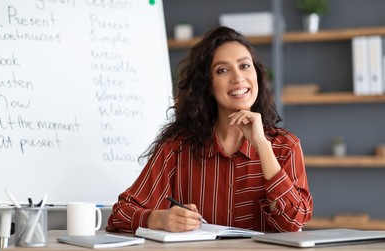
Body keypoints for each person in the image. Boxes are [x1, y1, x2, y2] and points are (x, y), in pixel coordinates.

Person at [106, 26, 312, 234]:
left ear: (256, 75)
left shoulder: (285, 147)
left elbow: (293, 223)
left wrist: (262, 146)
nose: (237, 77)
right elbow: (120, 215)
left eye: (244, 66)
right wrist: (159, 219)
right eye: (222, 70)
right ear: (208, 86)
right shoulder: (177, 148)